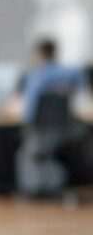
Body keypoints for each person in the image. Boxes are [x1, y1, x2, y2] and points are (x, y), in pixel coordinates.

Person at [14, 39, 84, 197]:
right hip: (64, 129)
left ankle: (31, 191)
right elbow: (81, 92)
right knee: (44, 155)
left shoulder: (37, 77)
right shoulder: (71, 73)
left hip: (41, 130)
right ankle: (51, 186)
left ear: (39, 54)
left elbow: (29, 110)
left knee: (25, 154)